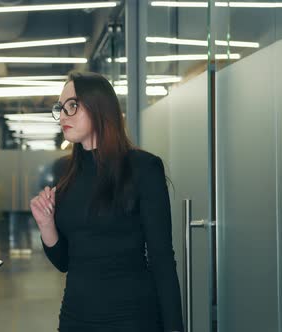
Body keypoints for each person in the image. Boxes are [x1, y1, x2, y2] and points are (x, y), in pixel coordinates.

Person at [30, 72, 183, 332]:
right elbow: (65, 261)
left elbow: (162, 261)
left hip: (132, 319)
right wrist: (46, 225)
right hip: (75, 319)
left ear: (100, 107)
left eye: (72, 106)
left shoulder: (143, 168)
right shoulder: (65, 174)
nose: (64, 116)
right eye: (60, 108)